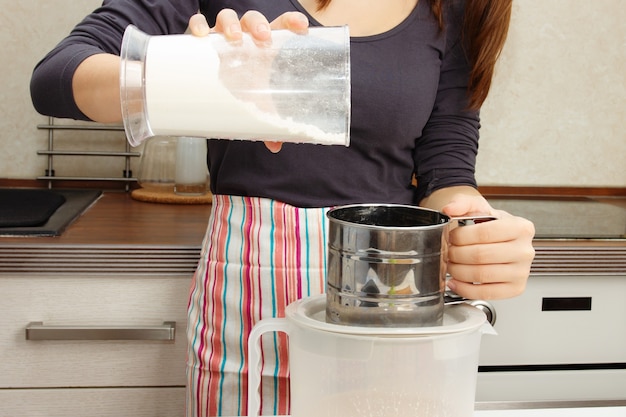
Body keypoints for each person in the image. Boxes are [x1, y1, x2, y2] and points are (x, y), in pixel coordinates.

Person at [30, 0, 536, 415]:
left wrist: (478, 231)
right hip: (246, 301)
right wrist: (200, 78)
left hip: (390, 307)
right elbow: (57, 75)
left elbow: (446, 167)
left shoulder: (457, 8)